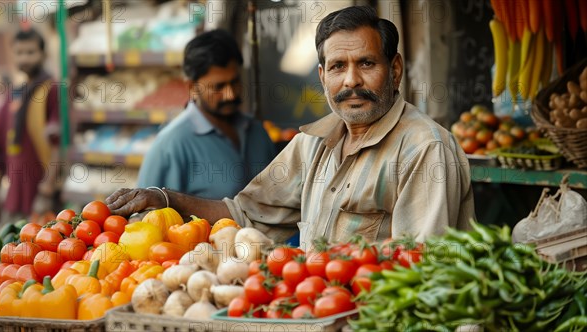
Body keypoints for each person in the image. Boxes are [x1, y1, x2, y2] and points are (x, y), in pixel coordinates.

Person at [107, 6, 474, 249]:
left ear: (394, 70)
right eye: (337, 67)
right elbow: (247, 214)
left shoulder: (425, 148)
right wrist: (166, 199)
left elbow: (424, 266)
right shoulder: (313, 142)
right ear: (321, 75)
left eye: (366, 63)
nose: (351, 81)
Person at [136, 29, 276, 200]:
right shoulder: (170, 146)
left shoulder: (257, 132)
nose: (230, 94)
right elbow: (145, 218)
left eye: (235, 82)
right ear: (192, 88)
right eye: (218, 87)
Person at [0, 29, 60, 223]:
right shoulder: (15, 95)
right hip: (14, 198)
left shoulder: (52, 89)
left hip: (41, 197)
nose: (25, 58)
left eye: (30, 52)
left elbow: (58, 143)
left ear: (43, 55)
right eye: (19, 53)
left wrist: (47, 189)